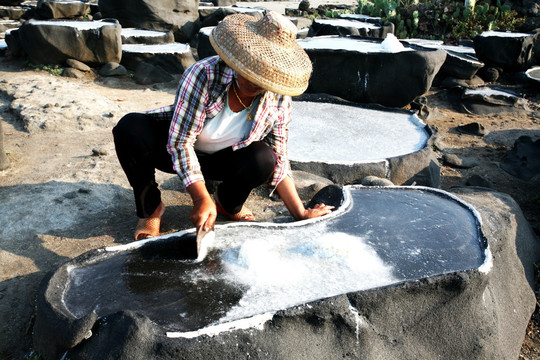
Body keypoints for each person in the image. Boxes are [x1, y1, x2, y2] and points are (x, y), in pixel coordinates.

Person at [113, 11, 334, 240]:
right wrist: (200, 199)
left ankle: (226, 203)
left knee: (264, 158)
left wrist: (300, 212)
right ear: (239, 55)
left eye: (263, 76)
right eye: (250, 69)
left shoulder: (278, 98)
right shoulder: (204, 74)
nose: (254, 80)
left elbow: (279, 157)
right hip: (174, 152)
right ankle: (151, 208)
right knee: (130, 128)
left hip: (224, 161)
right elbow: (180, 143)